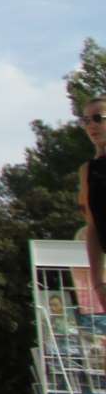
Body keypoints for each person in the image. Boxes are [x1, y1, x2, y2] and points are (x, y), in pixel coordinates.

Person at [80, 95, 106, 299]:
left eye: (98, 118)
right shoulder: (88, 171)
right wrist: (98, 282)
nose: (91, 125)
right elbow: (93, 227)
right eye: (86, 120)